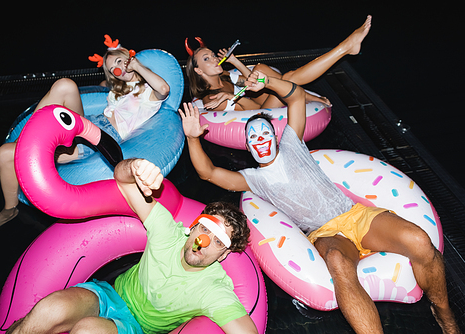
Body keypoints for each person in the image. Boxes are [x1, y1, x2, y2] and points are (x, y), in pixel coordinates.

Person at [179, 67, 461, 333]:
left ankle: (444, 311)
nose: (260, 138)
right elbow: (208, 173)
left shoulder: (292, 143)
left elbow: (297, 96)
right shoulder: (252, 178)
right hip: (323, 232)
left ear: (276, 137)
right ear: (249, 148)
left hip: (355, 215)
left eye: (265, 132)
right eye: (253, 137)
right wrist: (193, 138)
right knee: (338, 261)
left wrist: (266, 83)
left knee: (420, 242)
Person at [5, 158, 257, 334]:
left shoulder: (214, 290)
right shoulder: (167, 232)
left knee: (87, 331)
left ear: (224, 255)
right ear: (194, 226)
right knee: (49, 309)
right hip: (108, 294)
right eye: (205, 229)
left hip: (136, 327)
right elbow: (123, 180)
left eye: (218, 241)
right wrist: (136, 167)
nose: (204, 242)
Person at [0, 35, 170, 235]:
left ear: (130, 58)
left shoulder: (149, 94)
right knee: (65, 85)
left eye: (120, 62)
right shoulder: (117, 92)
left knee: (5, 153)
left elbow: (164, 89)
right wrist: (112, 74)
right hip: (88, 122)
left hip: (99, 137)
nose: (118, 69)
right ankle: (24, 140)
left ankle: (9, 210)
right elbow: (104, 85)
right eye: (113, 70)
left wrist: (135, 65)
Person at [185, 15, 372, 112]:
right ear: (199, 71)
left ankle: (345, 49)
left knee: (260, 69)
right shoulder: (211, 99)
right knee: (287, 79)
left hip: (259, 101)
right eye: (207, 59)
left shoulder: (226, 77)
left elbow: (250, 81)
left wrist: (234, 60)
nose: (215, 59)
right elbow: (256, 110)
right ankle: (344, 48)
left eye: (212, 55)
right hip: (260, 113)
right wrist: (230, 98)